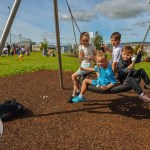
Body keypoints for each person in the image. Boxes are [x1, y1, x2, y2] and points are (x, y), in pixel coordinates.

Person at [70, 32, 97, 101]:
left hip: (88, 66)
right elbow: (80, 59)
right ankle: (74, 94)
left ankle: (78, 91)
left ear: (89, 40)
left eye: (87, 40)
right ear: (80, 40)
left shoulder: (92, 46)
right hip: (82, 65)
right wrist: (81, 56)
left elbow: (97, 56)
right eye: (83, 41)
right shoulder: (80, 47)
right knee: (77, 78)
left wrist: (92, 58)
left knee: (73, 76)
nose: (85, 42)